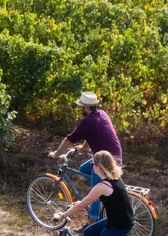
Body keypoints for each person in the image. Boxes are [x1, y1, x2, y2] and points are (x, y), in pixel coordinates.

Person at [49, 91, 122, 221]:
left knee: (95, 190)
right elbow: (91, 134)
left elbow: (69, 139)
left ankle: (92, 220)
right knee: (83, 169)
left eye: (81, 107)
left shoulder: (88, 121)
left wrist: (55, 154)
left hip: (104, 161)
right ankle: (103, 192)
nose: (79, 109)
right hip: (115, 156)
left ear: (87, 108)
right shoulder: (102, 114)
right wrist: (83, 148)